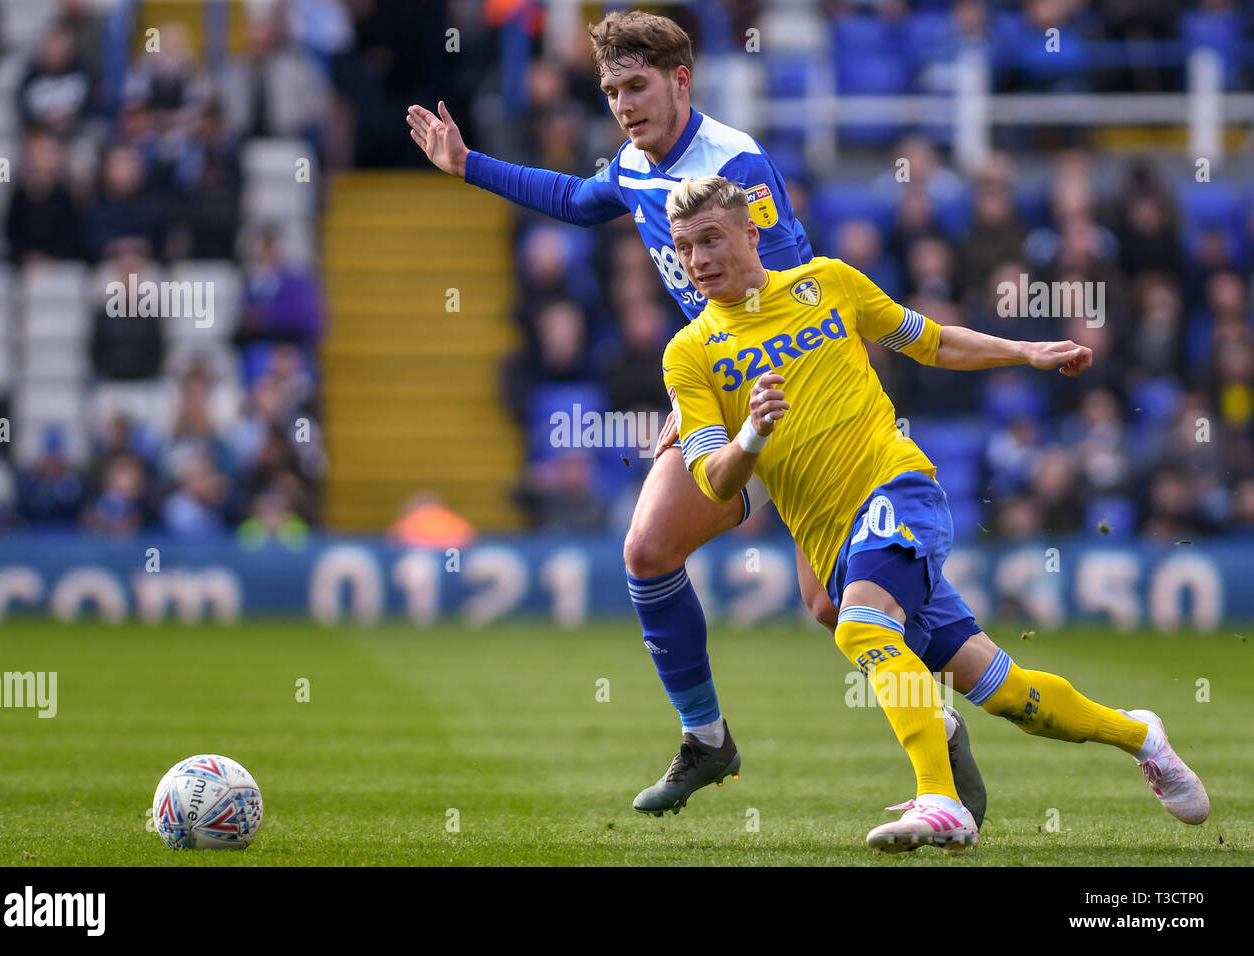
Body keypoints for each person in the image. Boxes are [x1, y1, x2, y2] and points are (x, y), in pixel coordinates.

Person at [405, 10, 993, 821]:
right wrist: (469, 165)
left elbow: (789, 297)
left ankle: (961, 711)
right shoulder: (637, 162)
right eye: (611, 90)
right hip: (720, 390)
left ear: (681, 80)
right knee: (650, 553)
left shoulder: (735, 164)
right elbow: (580, 201)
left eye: (636, 87)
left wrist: (738, 411)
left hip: (784, 398)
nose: (622, 105)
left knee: (834, 608)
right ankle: (708, 738)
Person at [658, 175, 1209, 851]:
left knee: (861, 627)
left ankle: (941, 800)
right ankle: (1139, 734)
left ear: (750, 233)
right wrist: (752, 436)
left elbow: (932, 341)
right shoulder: (688, 354)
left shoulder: (827, 282)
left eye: (711, 238)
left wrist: (1027, 351)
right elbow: (715, 481)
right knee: (1012, 697)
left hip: (898, 489)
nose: (698, 259)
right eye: (684, 248)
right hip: (837, 541)